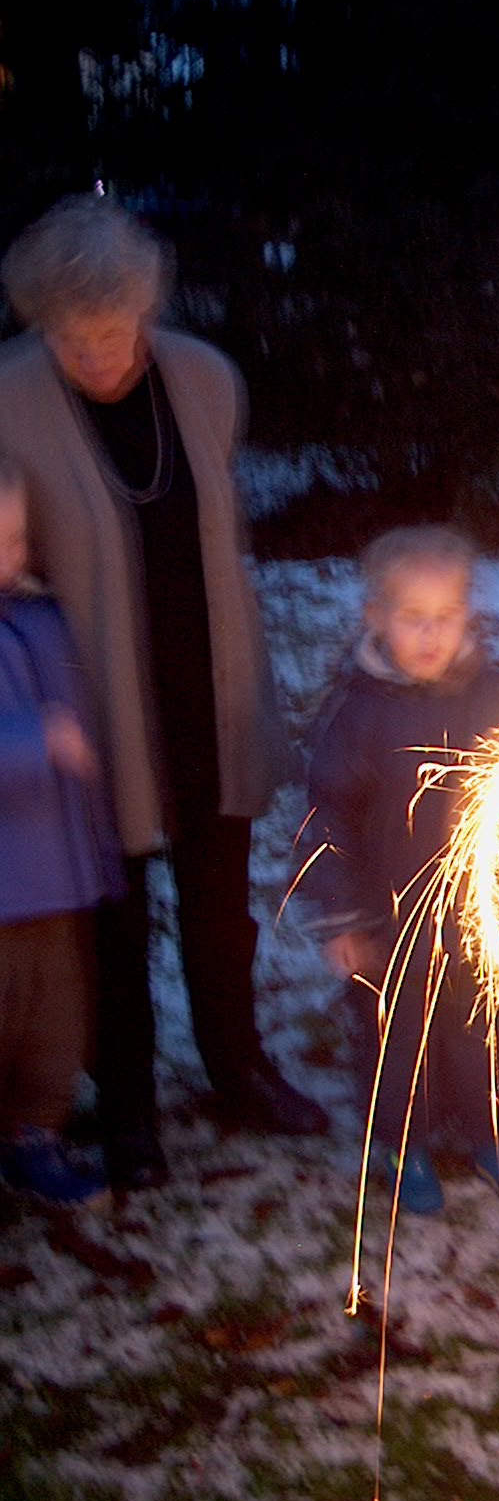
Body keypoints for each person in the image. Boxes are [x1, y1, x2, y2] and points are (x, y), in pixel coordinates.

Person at [0, 193, 327, 1194]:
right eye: (72, 339)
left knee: (220, 899)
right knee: (113, 913)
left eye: (114, 333)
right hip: (93, 704)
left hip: (208, 687)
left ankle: (238, 1066)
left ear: (148, 311)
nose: (98, 357)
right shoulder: (10, 400)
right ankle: (129, 1104)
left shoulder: (206, 380)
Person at [305, 525, 499, 1213]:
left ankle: (498, 1136)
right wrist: (343, 917)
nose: (430, 633)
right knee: (397, 1036)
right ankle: (399, 1144)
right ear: (376, 618)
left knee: (489, 1026)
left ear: (468, 616)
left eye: (445, 616)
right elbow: (327, 817)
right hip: (389, 920)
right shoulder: (358, 713)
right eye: (412, 616)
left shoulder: (496, 697)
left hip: (480, 914)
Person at [0, 454, 123, 1206]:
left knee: (57, 1019)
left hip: (59, 879)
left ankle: (35, 1137)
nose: (10, 559)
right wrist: (34, 742)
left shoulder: (40, 617)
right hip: (7, 889)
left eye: (15, 540)